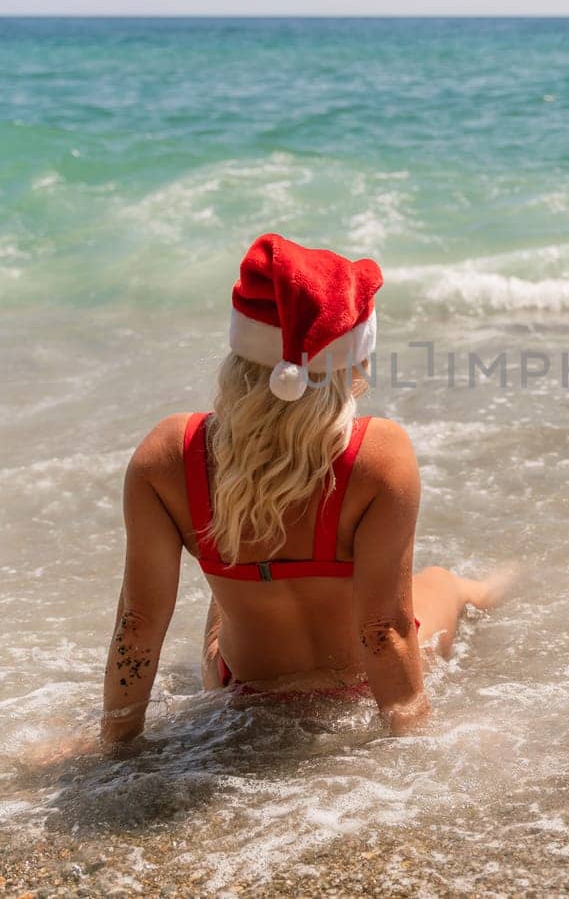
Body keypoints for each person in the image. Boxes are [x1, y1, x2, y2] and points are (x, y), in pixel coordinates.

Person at [99, 233, 504, 745]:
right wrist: (412, 743)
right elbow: (386, 632)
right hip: (358, 686)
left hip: (242, 688)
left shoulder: (168, 454)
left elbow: (139, 623)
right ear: (351, 364)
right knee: (443, 582)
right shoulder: (379, 454)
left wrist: (115, 745)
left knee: (225, 584)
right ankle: (487, 587)